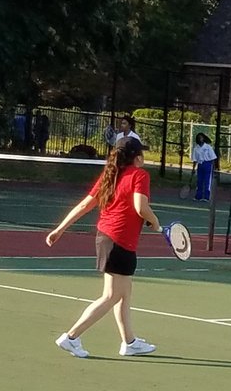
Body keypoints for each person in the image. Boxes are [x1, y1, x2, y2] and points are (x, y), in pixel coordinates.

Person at [45, 136, 161, 358]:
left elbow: (85, 205)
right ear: (137, 158)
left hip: (106, 238)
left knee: (123, 294)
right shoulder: (140, 175)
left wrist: (59, 229)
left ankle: (129, 342)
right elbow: (141, 207)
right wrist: (154, 221)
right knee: (111, 296)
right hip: (119, 242)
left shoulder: (110, 175)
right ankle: (71, 337)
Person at [190, 132, 217, 202]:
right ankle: (198, 196)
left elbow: (213, 158)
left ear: (204, 138)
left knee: (207, 181)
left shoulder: (208, 147)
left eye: (201, 137)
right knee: (199, 181)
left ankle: (206, 197)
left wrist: (213, 168)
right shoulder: (196, 148)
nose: (200, 139)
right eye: (199, 138)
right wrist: (193, 168)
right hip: (200, 165)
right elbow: (195, 160)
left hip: (208, 164)